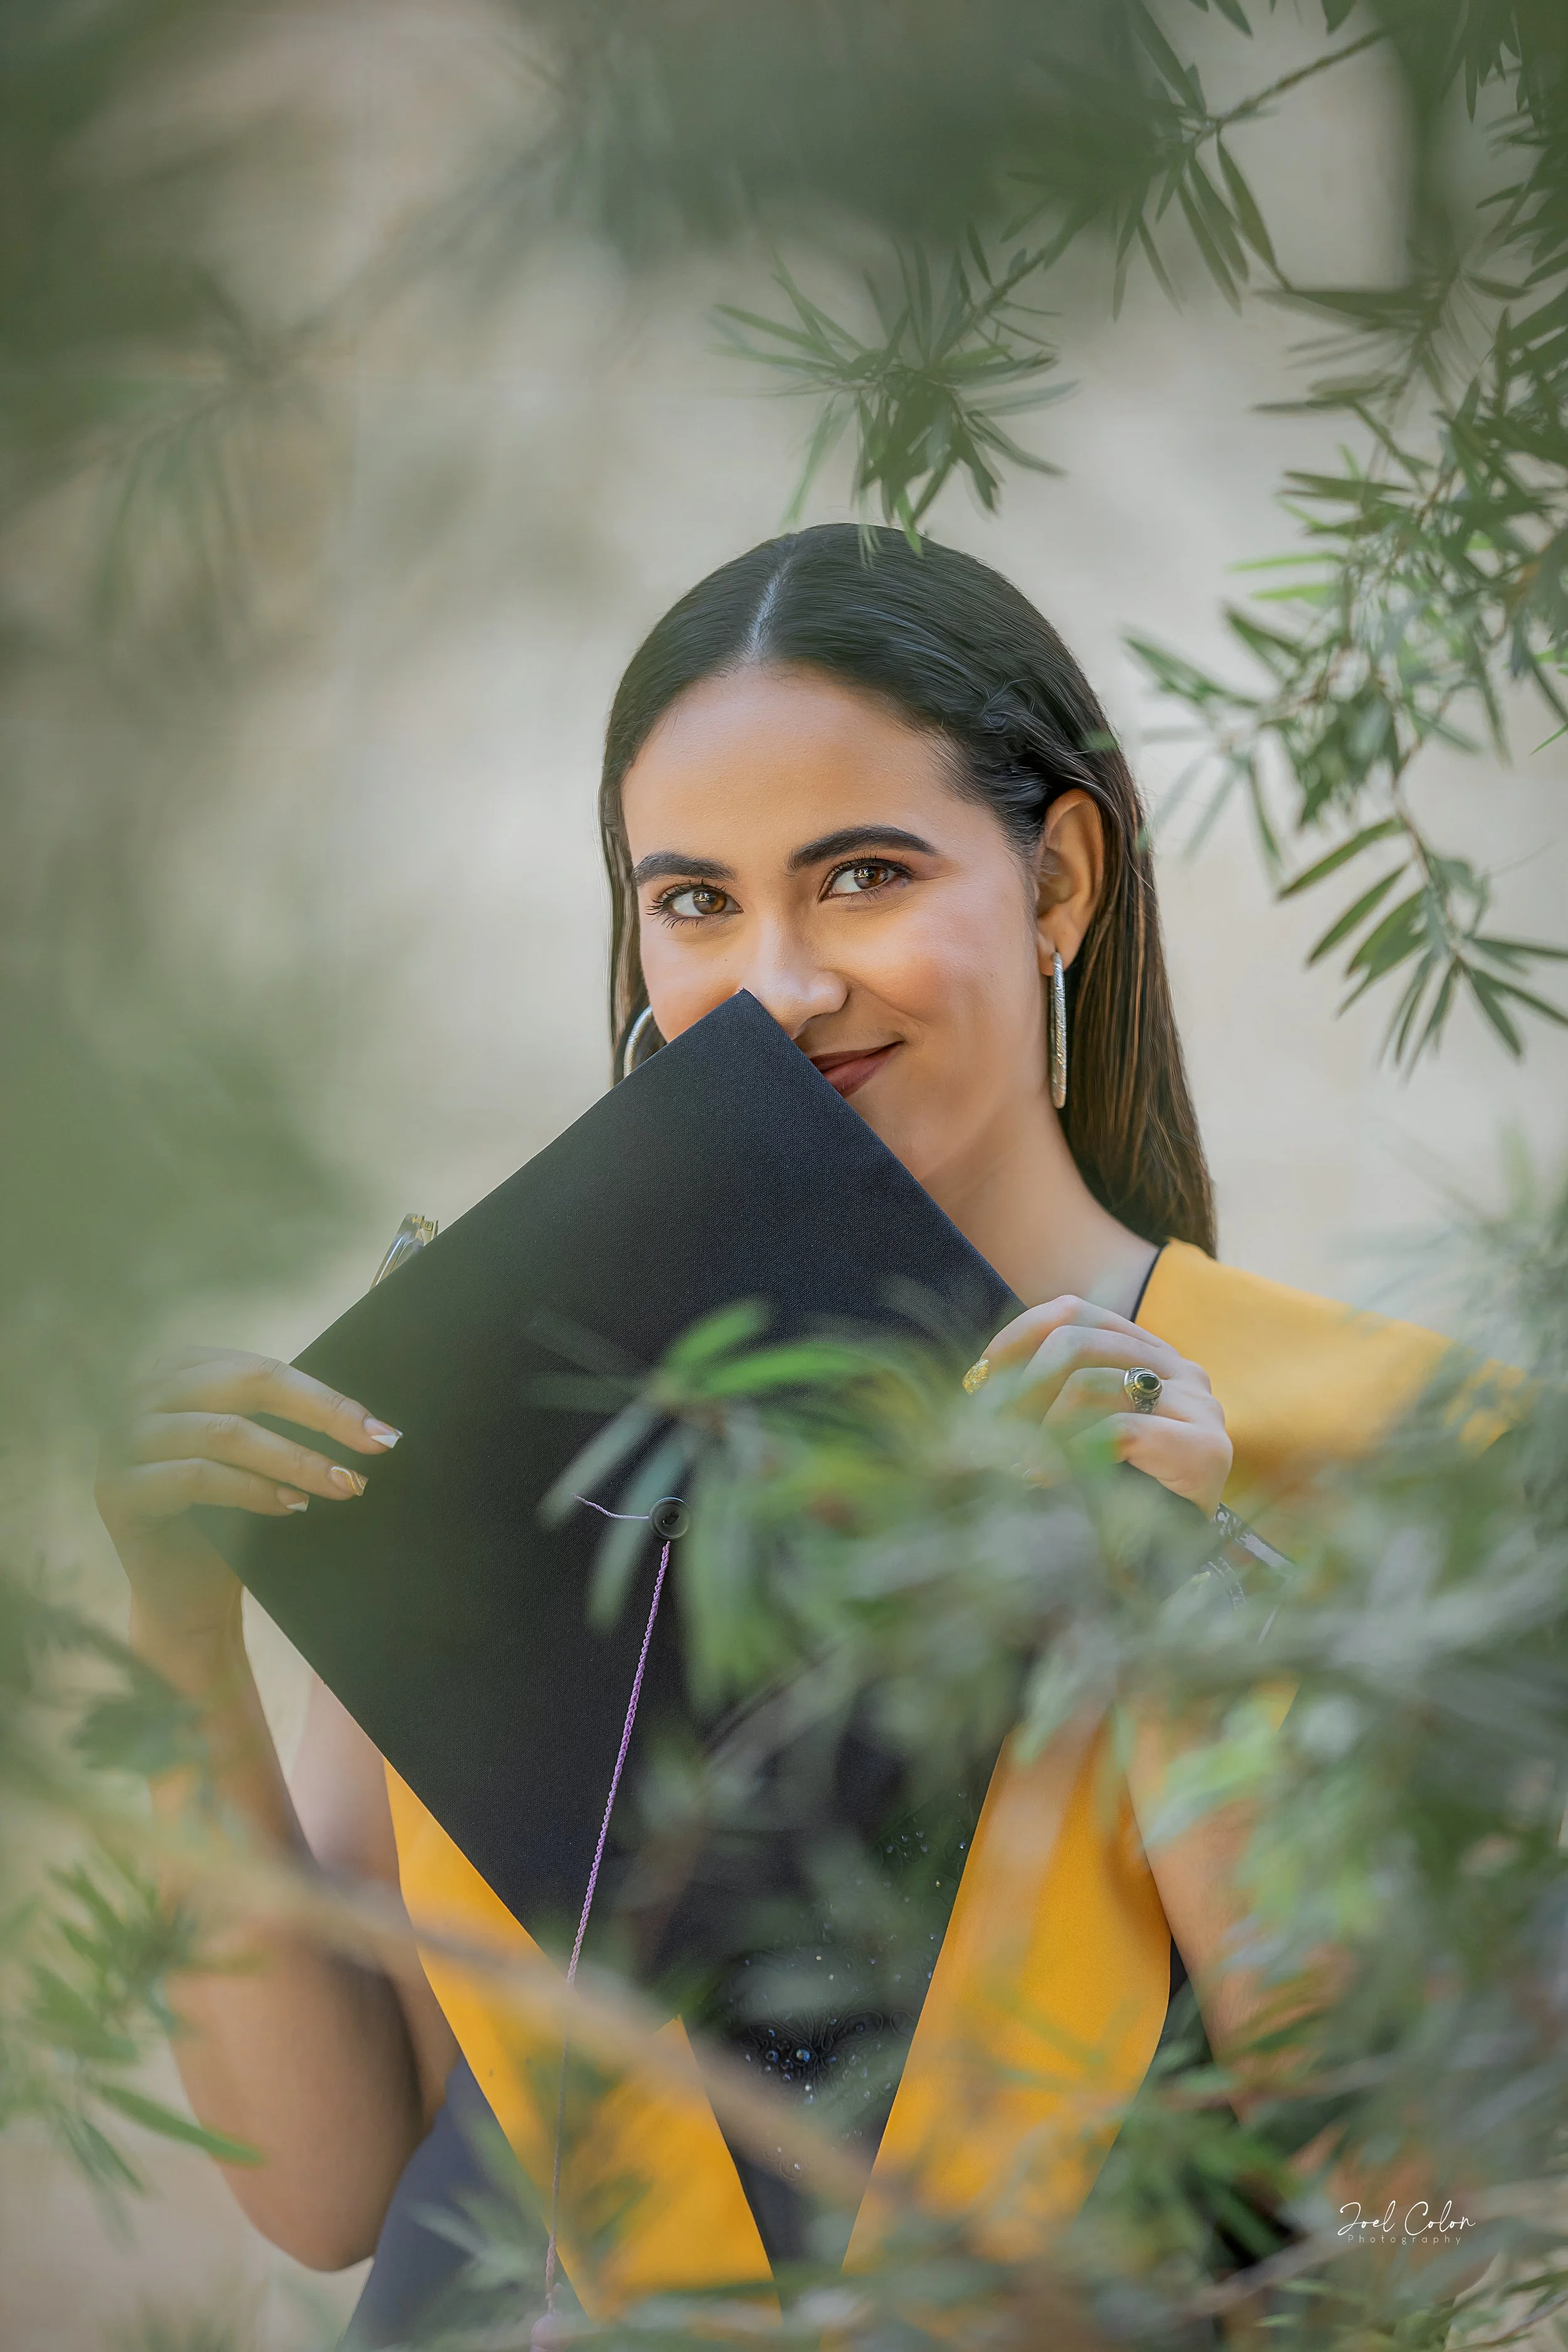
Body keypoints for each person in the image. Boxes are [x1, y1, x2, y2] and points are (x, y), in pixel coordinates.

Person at [95, 526, 1453, 2331]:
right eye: (694, 901)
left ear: (1058, 880)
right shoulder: (513, 1398)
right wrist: (180, 1636)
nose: (779, 983)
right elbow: (328, 2185)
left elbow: (1423, 2216)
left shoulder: (1374, 1446)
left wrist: (1173, 1627)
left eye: (863, 874)